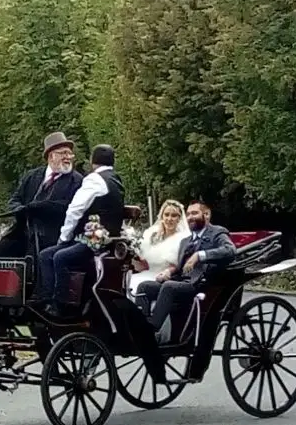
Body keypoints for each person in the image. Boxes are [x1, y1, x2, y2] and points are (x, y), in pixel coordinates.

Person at [32, 144, 125, 320]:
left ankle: (62, 306)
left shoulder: (94, 180)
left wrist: (64, 238)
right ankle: (47, 300)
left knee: (60, 257)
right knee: (46, 255)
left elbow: (75, 210)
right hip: (107, 241)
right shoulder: (115, 179)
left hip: (95, 241)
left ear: (92, 161)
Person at [135, 200, 237, 343]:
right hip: (183, 282)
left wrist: (200, 255)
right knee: (145, 286)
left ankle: (152, 329)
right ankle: (140, 324)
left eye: (194, 213)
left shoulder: (217, 233)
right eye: (188, 214)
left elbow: (230, 250)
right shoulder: (186, 241)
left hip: (202, 284)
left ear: (206, 215)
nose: (190, 217)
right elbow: (180, 267)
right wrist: (168, 273)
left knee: (169, 287)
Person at [0, 131, 83, 259]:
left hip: (53, 235)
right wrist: (20, 210)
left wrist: (41, 207)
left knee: (39, 257)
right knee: (0, 250)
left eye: (70, 153)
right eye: (63, 153)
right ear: (51, 156)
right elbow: (14, 200)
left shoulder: (76, 181)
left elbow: (70, 207)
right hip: (25, 233)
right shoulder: (32, 176)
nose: (68, 157)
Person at [128, 199, 190, 299]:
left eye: (174, 215)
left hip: (165, 278)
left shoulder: (183, 238)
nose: (169, 219)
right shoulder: (152, 234)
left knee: (138, 287)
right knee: (126, 283)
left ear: (179, 219)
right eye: (166, 214)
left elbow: (177, 265)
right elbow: (144, 262)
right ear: (162, 216)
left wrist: (167, 272)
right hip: (147, 272)